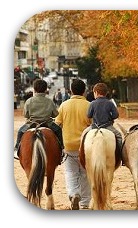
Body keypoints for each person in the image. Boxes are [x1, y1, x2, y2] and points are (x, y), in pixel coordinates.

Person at [55, 79, 91, 210]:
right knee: (85, 174)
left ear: (71, 91)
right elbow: (92, 125)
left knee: (70, 172)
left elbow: (57, 124)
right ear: (84, 91)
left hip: (68, 145)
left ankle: (74, 194)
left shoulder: (64, 105)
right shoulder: (88, 105)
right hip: (85, 146)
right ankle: (85, 203)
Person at [14, 79, 64, 159]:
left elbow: (25, 115)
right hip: (48, 124)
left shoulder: (29, 101)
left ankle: (17, 149)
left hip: (31, 124)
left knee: (20, 131)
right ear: (45, 89)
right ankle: (61, 149)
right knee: (58, 130)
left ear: (34, 89)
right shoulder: (49, 101)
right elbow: (55, 114)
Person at [83, 83, 122, 156]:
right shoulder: (110, 103)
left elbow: (89, 115)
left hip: (94, 127)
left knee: (84, 134)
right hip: (107, 126)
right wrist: (110, 117)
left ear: (96, 93)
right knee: (118, 136)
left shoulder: (92, 103)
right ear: (106, 93)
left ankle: (82, 153)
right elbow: (116, 115)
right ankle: (120, 155)